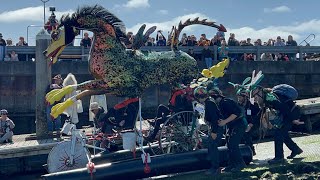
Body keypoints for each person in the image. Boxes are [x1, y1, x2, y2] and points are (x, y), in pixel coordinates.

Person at [252, 87, 303, 164]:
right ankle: (296, 149)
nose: (255, 99)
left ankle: (279, 157)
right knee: (283, 134)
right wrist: (251, 124)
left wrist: (293, 119)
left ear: (260, 94)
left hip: (291, 112)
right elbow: (260, 113)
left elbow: (284, 108)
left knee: (278, 134)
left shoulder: (271, 98)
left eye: (255, 97)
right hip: (285, 114)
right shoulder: (265, 99)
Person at [210, 89, 247, 172]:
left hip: (239, 124)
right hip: (231, 126)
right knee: (229, 145)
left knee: (233, 144)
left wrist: (224, 122)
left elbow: (236, 113)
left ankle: (240, 164)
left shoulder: (225, 102)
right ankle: (231, 164)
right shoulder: (219, 104)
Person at [194, 86, 223, 176]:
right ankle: (214, 167)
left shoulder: (209, 103)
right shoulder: (206, 102)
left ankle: (215, 168)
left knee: (213, 146)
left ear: (199, 96)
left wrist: (214, 131)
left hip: (216, 128)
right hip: (213, 127)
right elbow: (198, 113)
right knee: (210, 146)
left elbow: (215, 118)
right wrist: (196, 110)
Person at [236, 90, 260, 156]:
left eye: (240, 97)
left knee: (247, 134)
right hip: (243, 123)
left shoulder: (252, 104)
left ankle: (251, 150)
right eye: (238, 97)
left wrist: (251, 124)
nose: (239, 99)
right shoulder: (238, 105)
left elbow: (257, 115)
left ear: (245, 97)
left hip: (252, 123)